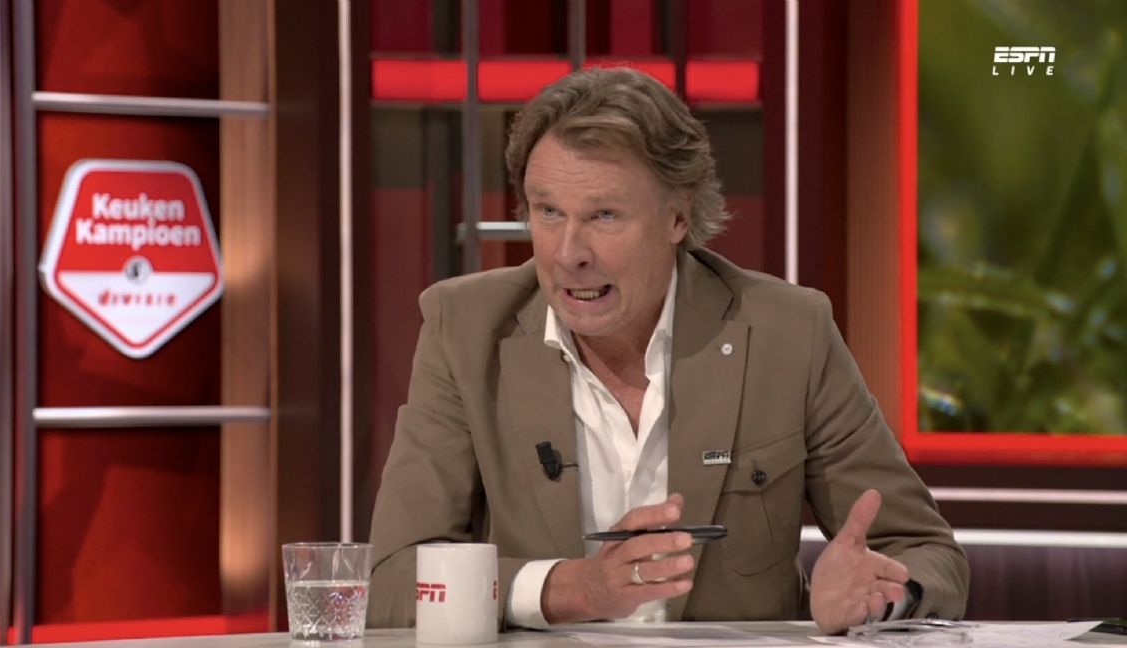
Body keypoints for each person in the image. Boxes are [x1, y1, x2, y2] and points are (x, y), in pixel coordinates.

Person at [366, 66, 969, 633]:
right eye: (548, 212)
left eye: (604, 215)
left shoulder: (787, 333)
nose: (568, 254)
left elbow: (924, 552)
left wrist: (879, 596)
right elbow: (393, 582)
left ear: (678, 217)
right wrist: (571, 589)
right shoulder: (465, 330)